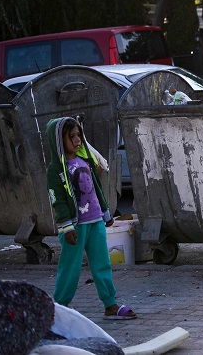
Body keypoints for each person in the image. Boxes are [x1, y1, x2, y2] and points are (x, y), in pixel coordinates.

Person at [46, 116, 137, 320]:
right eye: (72, 137)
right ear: (59, 141)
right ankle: (58, 309)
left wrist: (106, 213)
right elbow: (57, 200)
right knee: (70, 267)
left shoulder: (84, 160)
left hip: (95, 222)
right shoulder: (55, 169)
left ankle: (110, 304)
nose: (78, 140)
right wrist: (66, 227)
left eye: (79, 135)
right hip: (74, 227)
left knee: (102, 263)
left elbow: (96, 188)